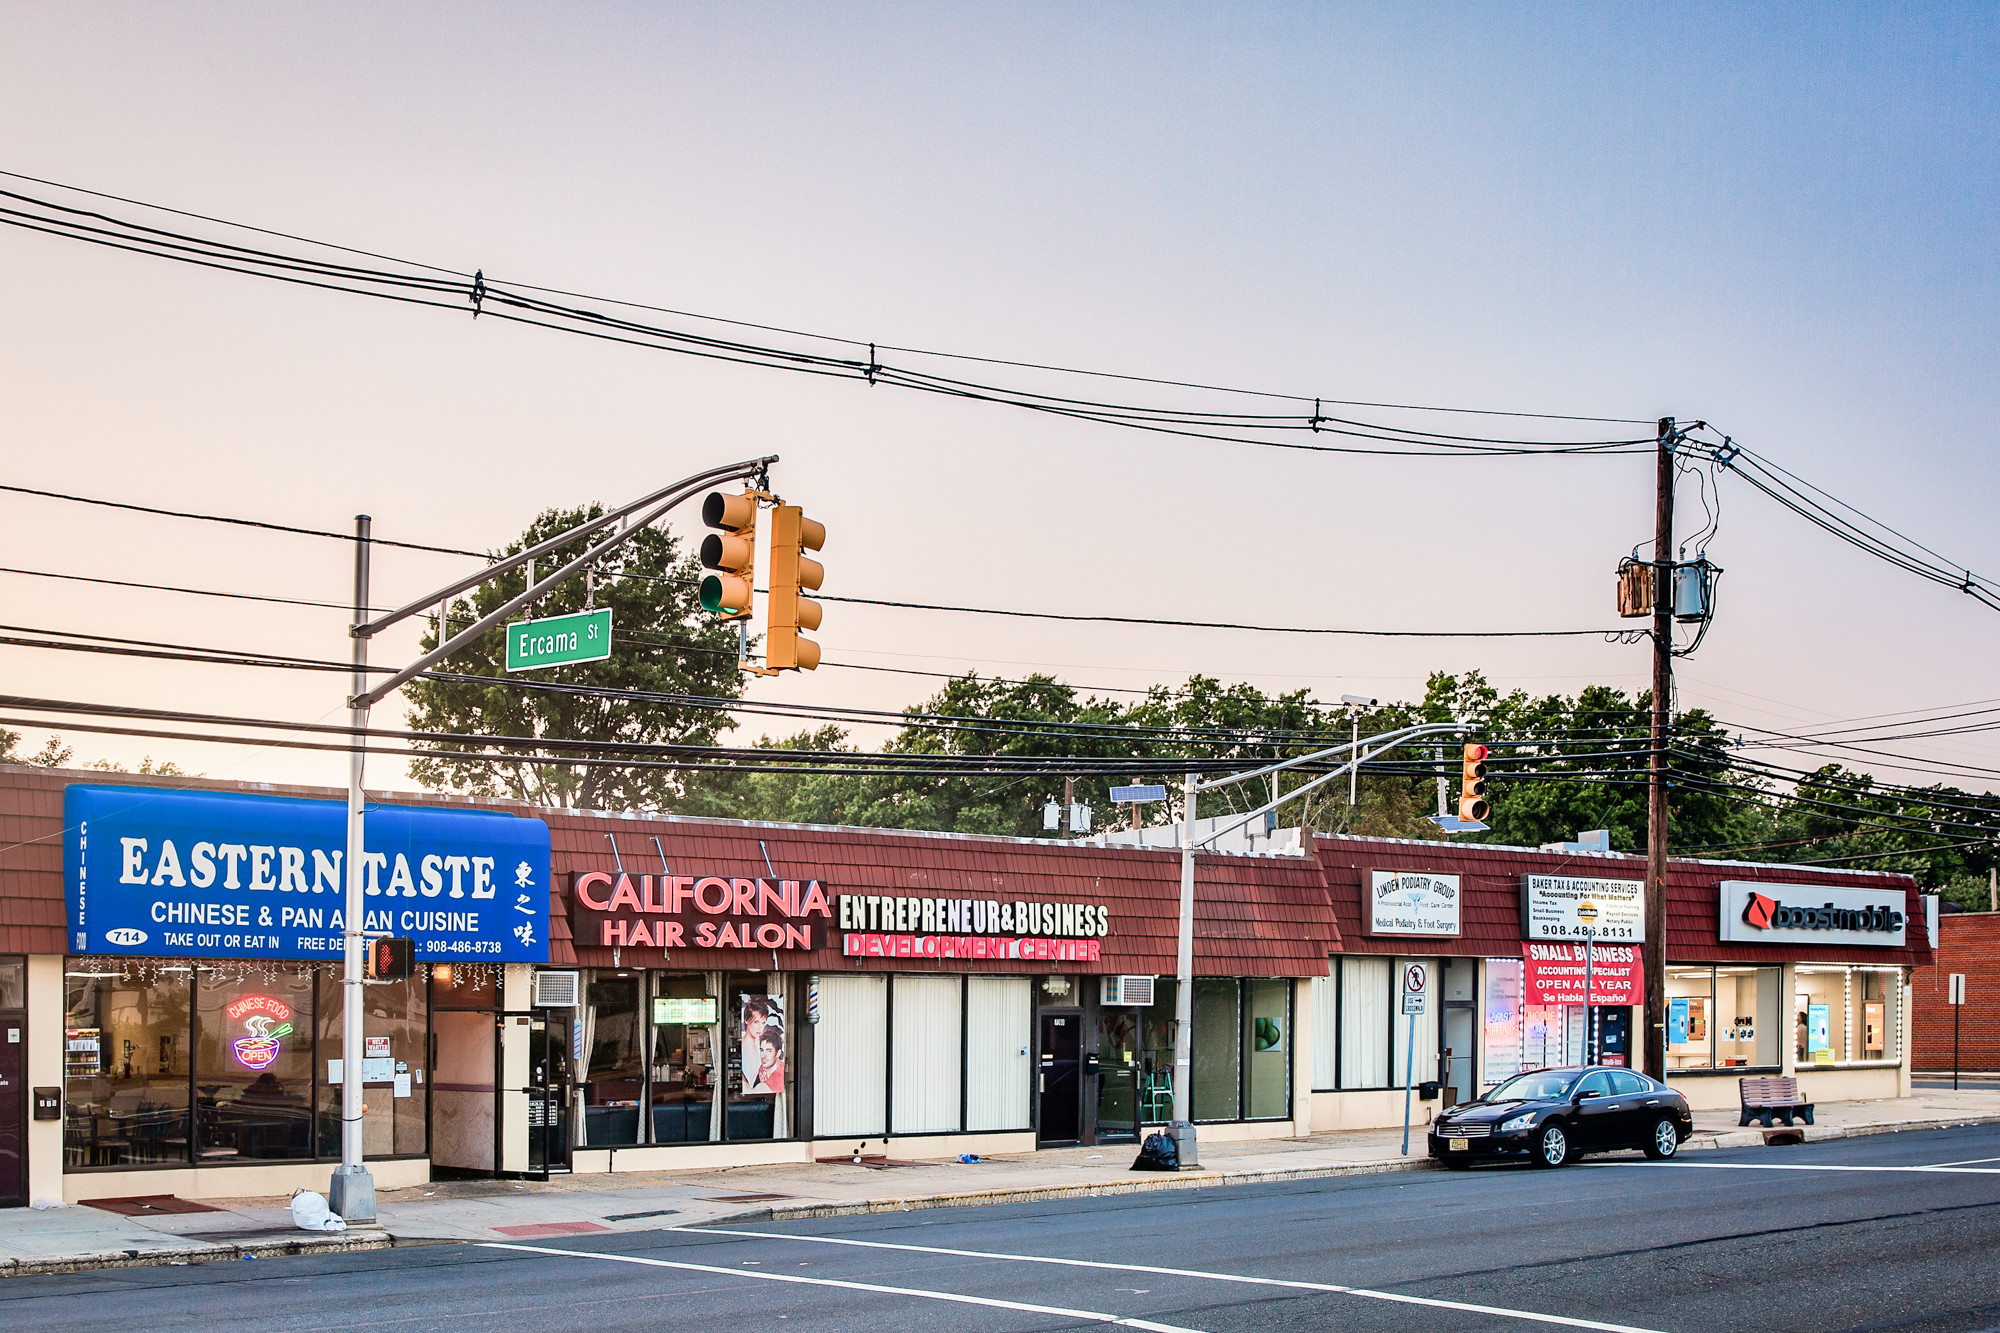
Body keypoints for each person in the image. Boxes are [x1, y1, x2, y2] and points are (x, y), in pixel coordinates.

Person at [748, 1027, 784, 1095]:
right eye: (762, 1050)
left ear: (778, 1053)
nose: (763, 1055)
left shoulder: (780, 1072)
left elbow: (751, 1092)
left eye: (769, 1051)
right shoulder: (762, 1068)